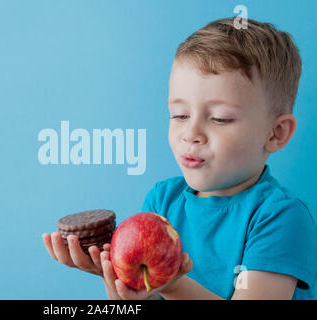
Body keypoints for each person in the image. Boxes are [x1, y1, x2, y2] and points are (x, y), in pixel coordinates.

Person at [42, 17, 317, 300]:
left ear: (276, 133)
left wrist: (172, 284)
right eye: (180, 115)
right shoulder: (162, 202)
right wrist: (116, 277)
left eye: (220, 119)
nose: (191, 133)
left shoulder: (280, 218)